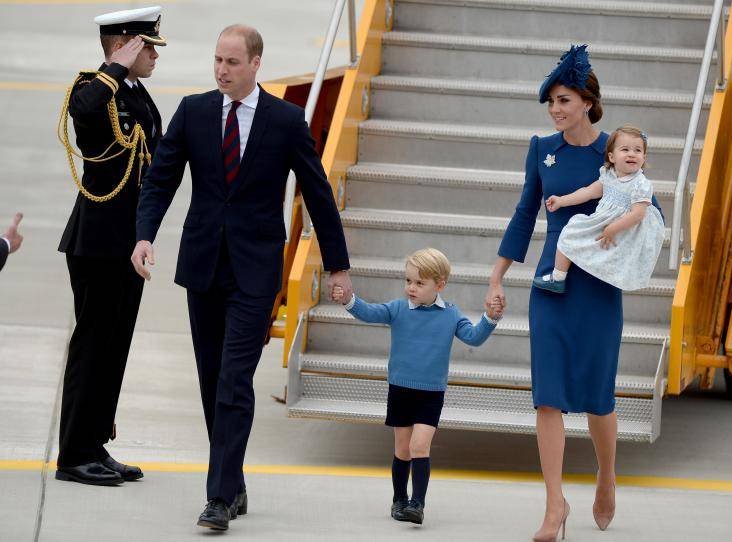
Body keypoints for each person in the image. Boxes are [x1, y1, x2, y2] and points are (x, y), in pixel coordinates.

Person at [131, 24, 353, 531]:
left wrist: (337, 265)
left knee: (235, 379)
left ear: (256, 64)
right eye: (217, 61)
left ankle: (218, 498)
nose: (221, 70)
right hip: (204, 265)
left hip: (255, 272)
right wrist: (145, 236)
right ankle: (233, 479)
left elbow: (317, 194)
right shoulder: (194, 111)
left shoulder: (285, 121)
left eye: (232, 62)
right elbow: (160, 180)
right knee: (212, 381)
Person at [483, 45, 662, 541]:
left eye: (564, 101)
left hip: (599, 288)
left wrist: (623, 239)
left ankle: (606, 477)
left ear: (587, 101)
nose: (556, 111)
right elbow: (525, 214)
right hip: (551, 286)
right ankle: (554, 504)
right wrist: (497, 276)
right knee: (549, 398)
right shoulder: (542, 148)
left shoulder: (618, 149)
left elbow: (650, 213)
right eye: (551, 104)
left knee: (599, 397)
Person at [55, 6, 165, 487]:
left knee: (114, 345)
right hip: (97, 243)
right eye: (148, 47)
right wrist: (115, 65)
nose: (155, 56)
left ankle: (95, 443)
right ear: (127, 44)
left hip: (127, 245)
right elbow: (83, 112)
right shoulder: (94, 88)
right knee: (92, 344)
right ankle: (73, 454)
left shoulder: (136, 95)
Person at [332, 248, 504, 526]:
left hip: (431, 394)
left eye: (419, 283)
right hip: (400, 390)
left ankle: (417, 504)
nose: (411, 288)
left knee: (419, 446)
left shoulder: (451, 315)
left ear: (440, 284)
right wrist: (348, 299)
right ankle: (399, 499)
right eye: (408, 281)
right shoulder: (398, 309)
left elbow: (473, 338)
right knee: (402, 449)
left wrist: (490, 318)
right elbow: (369, 312)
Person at [533, 125, 665, 294]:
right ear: (612, 156)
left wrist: (613, 228)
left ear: (643, 157)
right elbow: (588, 192)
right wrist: (562, 200)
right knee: (571, 229)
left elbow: (638, 214)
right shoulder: (608, 176)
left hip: (624, 229)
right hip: (603, 221)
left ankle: (606, 274)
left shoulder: (640, 184)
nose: (632, 154)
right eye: (625, 149)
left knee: (610, 250)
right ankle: (558, 278)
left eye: (638, 150)